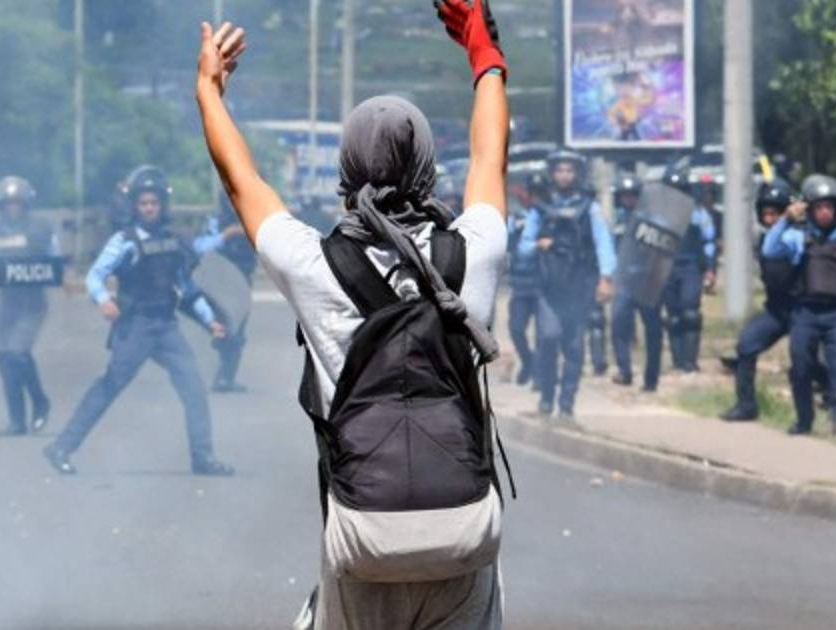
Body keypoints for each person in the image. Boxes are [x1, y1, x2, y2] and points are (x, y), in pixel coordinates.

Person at [197, 1, 509, 626]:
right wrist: (485, 55)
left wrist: (209, 90)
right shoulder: (473, 251)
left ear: (346, 174)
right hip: (468, 526)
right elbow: (488, 158)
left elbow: (241, 183)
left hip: (364, 533)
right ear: (428, 171)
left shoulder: (313, 265)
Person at [43, 167, 234, 477]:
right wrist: (103, 300)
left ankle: (203, 457)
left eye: (154, 203)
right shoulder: (124, 241)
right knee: (110, 385)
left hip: (166, 325)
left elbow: (187, 287)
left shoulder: (174, 241)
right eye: (143, 203)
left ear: (162, 205)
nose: (149, 208)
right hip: (136, 325)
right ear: (134, 206)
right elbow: (94, 276)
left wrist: (210, 321)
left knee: (194, 387)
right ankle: (61, 447)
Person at [762, 174, 836, 436]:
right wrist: (786, 219)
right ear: (810, 209)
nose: (825, 212)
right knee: (801, 366)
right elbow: (769, 250)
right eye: (819, 207)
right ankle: (804, 419)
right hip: (805, 313)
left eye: (829, 206)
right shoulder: (799, 239)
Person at [525, 148, 616, 418]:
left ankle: (567, 404)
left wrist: (606, 278)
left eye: (569, 170)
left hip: (579, 285)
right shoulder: (540, 209)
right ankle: (546, 399)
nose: (564, 175)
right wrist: (539, 244)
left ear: (577, 174)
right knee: (548, 338)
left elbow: (604, 245)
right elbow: (523, 245)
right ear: (552, 174)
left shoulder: (590, 209)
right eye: (559, 170)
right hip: (548, 287)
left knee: (574, 346)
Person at [0, 176, 57, 436]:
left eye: (17, 203)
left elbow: (54, 260)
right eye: (8, 204)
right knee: (5, 358)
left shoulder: (41, 230)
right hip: (5, 301)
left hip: (32, 302)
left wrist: (55, 276)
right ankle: (16, 420)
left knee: (18, 352)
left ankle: (40, 400)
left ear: (26, 204)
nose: (13, 208)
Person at [193, 194, 256, 393]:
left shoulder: (254, 217)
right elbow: (199, 246)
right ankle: (212, 374)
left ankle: (226, 377)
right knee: (220, 327)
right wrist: (226, 235)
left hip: (242, 280)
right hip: (218, 280)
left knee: (238, 331)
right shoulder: (215, 221)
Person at [608, 172, 663, 391]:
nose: (629, 199)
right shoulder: (618, 220)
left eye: (633, 195)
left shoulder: (653, 219)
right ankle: (624, 370)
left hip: (648, 280)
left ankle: (651, 378)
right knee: (618, 323)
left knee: (653, 329)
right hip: (625, 281)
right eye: (625, 195)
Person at [663, 173, 717, 372]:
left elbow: (709, 241)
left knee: (690, 313)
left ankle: (690, 361)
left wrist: (710, 268)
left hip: (691, 267)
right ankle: (677, 360)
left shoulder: (698, 214)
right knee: (673, 316)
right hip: (666, 267)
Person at [505, 170, 548, 386]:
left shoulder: (551, 216)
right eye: (534, 193)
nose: (536, 197)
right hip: (520, 284)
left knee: (543, 333)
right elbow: (509, 245)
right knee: (516, 328)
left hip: (543, 284)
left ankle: (540, 373)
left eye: (540, 193)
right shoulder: (516, 219)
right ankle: (528, 362)